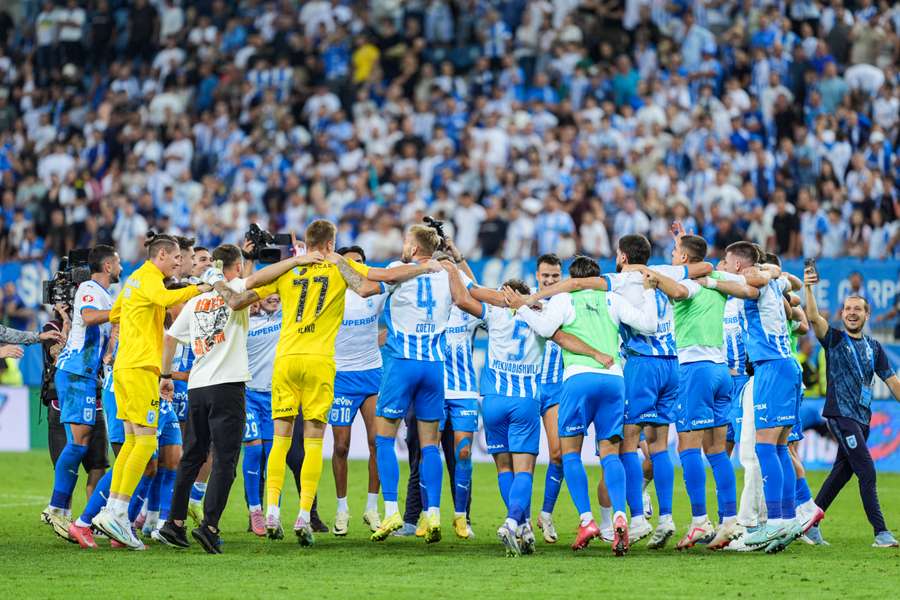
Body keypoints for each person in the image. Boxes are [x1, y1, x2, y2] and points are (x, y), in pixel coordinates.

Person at [257, 220, 438, 546]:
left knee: (280, 439)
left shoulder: (287, 271)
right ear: (330, 244)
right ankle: (303, 515)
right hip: (321, 363)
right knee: (315, 441)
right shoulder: (338, 268)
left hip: (285, 360)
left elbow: (247, 289)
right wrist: (424, 267)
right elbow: (373, 281)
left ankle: (272, 510)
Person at [156, 244, 319, 552]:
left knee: (192, 456)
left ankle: (173, 524)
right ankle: (209, 526)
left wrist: (165, 376)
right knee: (225, 460)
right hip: (227, 387)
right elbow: (264, 277)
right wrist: (297, 260)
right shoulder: (236, 288)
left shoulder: (196, 301)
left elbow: (169, 338)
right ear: (239, 267)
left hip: (197, 387)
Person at [507, 255, 659, 556]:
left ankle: (587, 520)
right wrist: (651, 292)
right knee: (611, 454)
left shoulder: (565, 299)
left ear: (572, 279)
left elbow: (546, 329)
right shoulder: (612, 299)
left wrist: (521, 306)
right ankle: (619, 515)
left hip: (578, 379)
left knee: (571, 453)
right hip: (614, 379)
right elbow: (649, 325)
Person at [90, 233, 204, 549]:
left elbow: (116, 313)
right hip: (141, 367)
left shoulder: (133, 281)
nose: (179, 263)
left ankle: (112, 510)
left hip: (125, 367)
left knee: (131, 441)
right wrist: (201, 289)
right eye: (176, 257)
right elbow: (166, 299)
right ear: (162, 255)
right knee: (146, 440)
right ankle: (118, 513)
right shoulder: (151, 278)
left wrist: (138, 319)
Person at [650, 234, 761, 551]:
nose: (673, 256)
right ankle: (730, 521)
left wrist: (651, 275)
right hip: (720, 371)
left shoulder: (692, 283)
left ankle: (700, 520)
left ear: (685, 259)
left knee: (688, 447)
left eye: (676, 252)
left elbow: (678, 290)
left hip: (694, 369)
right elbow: (752, 288)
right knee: (716, 450)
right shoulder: (720, 283)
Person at [366, 225, 461, 543]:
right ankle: (433, 514)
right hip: (434, 366)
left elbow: (367, 285)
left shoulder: (398, 269)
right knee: (430, 444)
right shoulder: (446, 272)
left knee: (383, 439)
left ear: (414, 247)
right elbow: (464, 298)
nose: (403, 246)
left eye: (406, 241)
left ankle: (392, 511)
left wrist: (341, 264)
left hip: (401, 364)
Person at [804, 267, 900, 548]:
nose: (852, 313)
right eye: (848, 308)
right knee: (867, 470)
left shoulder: (875, 347)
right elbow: (813, 317)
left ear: (867, 315)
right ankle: (881, 533)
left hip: (862, 420)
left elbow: (893, 382)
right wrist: (808, 288)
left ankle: (810, 524)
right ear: (842, 313)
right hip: (840, 416)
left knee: (841, 473)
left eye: (858, 309)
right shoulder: (834, 339)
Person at [43, 245, 120, 544]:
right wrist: (122, 311)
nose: (121, 267)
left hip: (85, 374)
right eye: (117, 262)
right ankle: (56, 507)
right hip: (75, 371)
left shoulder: (106, 295)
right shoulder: (89, 288)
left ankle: (60, 508)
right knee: (78, 443)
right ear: (108, 266)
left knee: (82, 442)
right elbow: (88, 317)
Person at [329, 245, 384, 536]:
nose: (354, 267)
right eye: (349, 262)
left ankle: (372, 508)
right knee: (341, 446)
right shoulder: (330, 294)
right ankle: (342, 509)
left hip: (372, 375)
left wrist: (387, 337)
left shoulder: (375, 293)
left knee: (377, 442)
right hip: (340, 378)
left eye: (360, 262)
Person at [242, 293, 280, 536]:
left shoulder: (285, 318)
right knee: (254, 451)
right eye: (269, 294)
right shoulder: (242, 320)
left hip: (275, 396)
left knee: (273, 455)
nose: (274, 297)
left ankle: (274, 513)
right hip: (248, 395)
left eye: (278, 294)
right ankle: (255, 510)